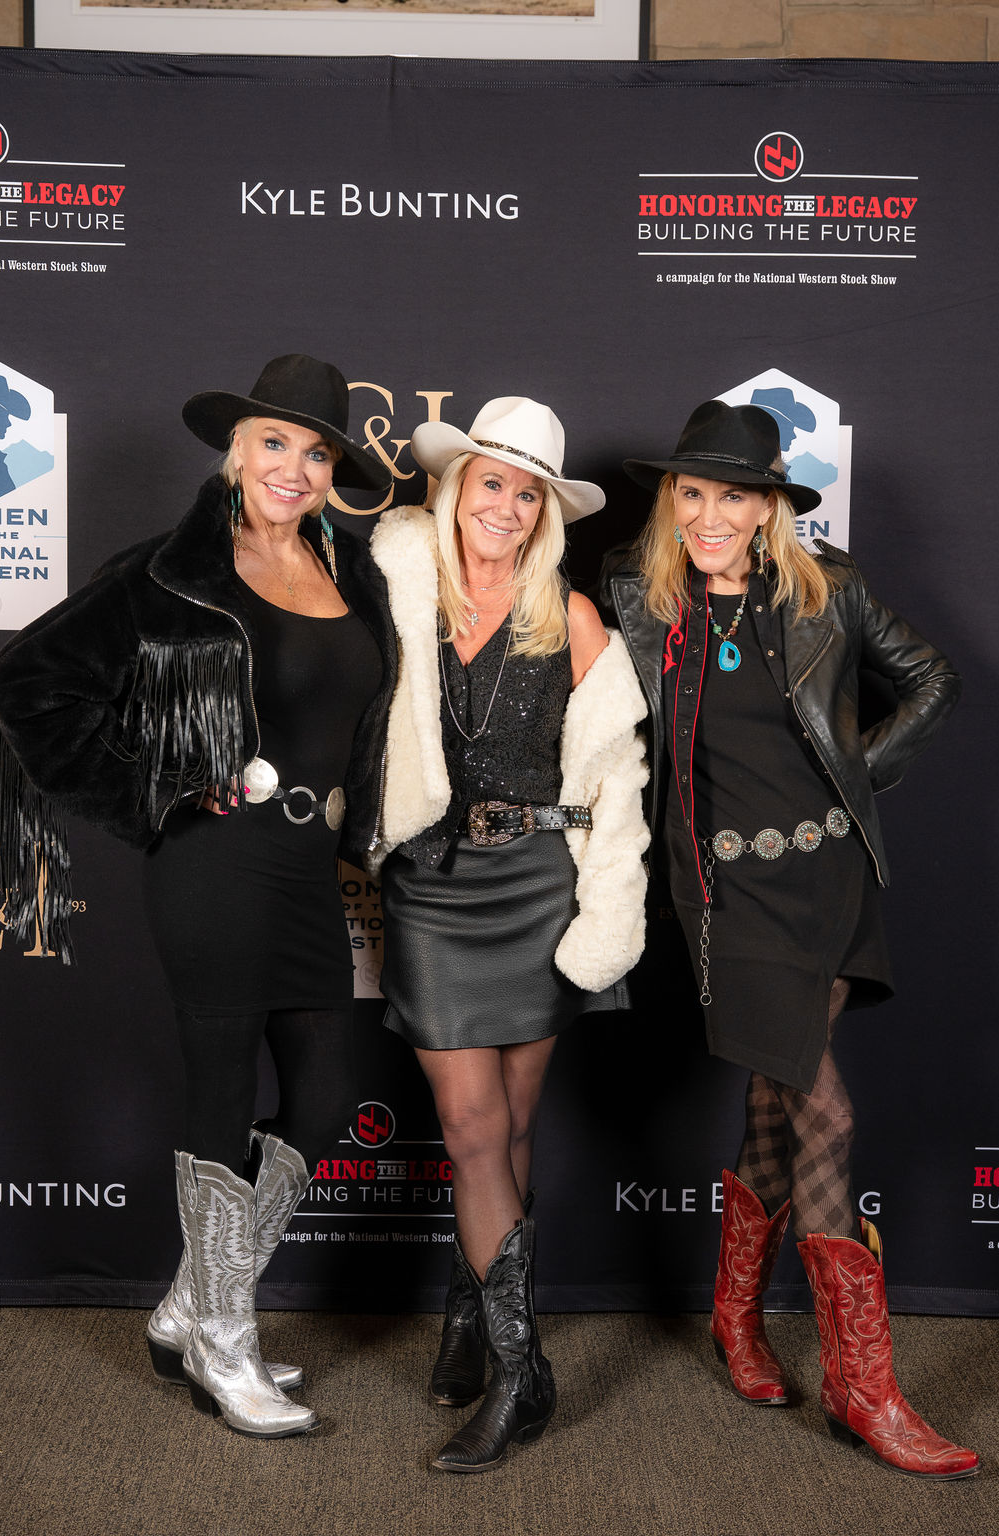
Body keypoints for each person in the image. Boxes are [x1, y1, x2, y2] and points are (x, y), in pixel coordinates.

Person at [0, 355, 395, 1439]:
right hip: (214, 863)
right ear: (235, 451)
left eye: (316, 452)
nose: (293, 467)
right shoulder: (169, 574)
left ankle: (190, 1305)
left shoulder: (351, 569)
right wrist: (152, 789)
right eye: (274, 442)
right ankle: (223, 1340)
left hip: (311, 868)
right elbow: (26, 683)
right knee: (221, 1090)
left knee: (327, 1098)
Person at [604, 399, 979, 1480]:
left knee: (776, 1109)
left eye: (734, 497)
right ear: (671, 502)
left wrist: (859, 774)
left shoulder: (828, 591)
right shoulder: (636, 598)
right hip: (727, 899)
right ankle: (867, 1391)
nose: (710, 517)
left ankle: (736, 1323)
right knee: (828, 1113)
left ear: (770, 508)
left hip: (829, 882)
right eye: (692, 493)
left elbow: (935, 679)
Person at [367, 396, 649, 1472]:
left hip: (538, 887)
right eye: (492, 483)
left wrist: (605, 905)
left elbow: (615, 780)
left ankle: (470, 1320)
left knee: (514, 1127)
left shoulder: (568, 616)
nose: (508, 507)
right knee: (473, 1127)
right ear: (454, 489)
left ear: (546, 515)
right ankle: (525, 1376)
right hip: (433, 890)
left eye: (529, 495)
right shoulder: (399, 595)